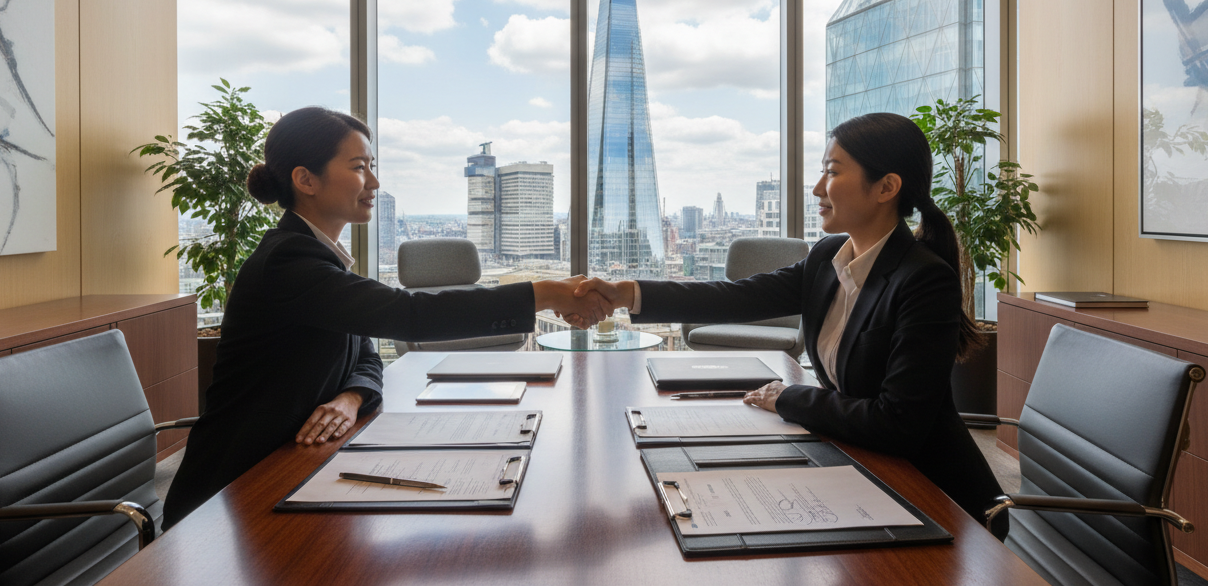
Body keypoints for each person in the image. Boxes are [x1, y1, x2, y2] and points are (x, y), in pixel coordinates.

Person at [163, 107, 608, 528]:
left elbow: (365, 356)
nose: (373, 181)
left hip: (293, 464)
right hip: (230, 493)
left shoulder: (320, 257)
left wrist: (351, 397)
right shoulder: (289, 261)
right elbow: (408, 315)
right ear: (306, 179)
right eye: (358, 167)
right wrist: (545, 293)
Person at [573, 112, 1007, 537]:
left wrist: (789, 397)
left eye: (832, 172)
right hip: (863, 465)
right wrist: (626, 293)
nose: (818, 188)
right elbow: (738, 296)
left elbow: (898, 423)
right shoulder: (828, 257)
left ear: (886, 187)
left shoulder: (923, 279)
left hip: (937, 498)